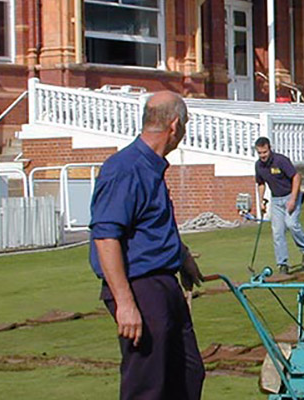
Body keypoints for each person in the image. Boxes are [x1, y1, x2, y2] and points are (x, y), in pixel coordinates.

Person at [89, 91, 205, 400]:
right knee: (148, 383)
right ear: (175, 125)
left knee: (188, 372)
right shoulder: (125, 168)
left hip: (164, 282)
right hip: (139, 286)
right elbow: (106, 237)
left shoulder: (153, 166)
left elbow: (151, 225)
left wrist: (182, 256)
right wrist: (125, 303)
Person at [254, 137, 304, 272]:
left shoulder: (280, 160)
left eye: (265, 152)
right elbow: (261, 183)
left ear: (270, 149)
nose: (263, 156)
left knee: (292, 223)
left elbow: (296, 177)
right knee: (277, 231)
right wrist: (261, 201)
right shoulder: (259, 165)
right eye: (260, 153)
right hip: (276, 200)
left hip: (291, 195)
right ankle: (282, 263)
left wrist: (293, 199)